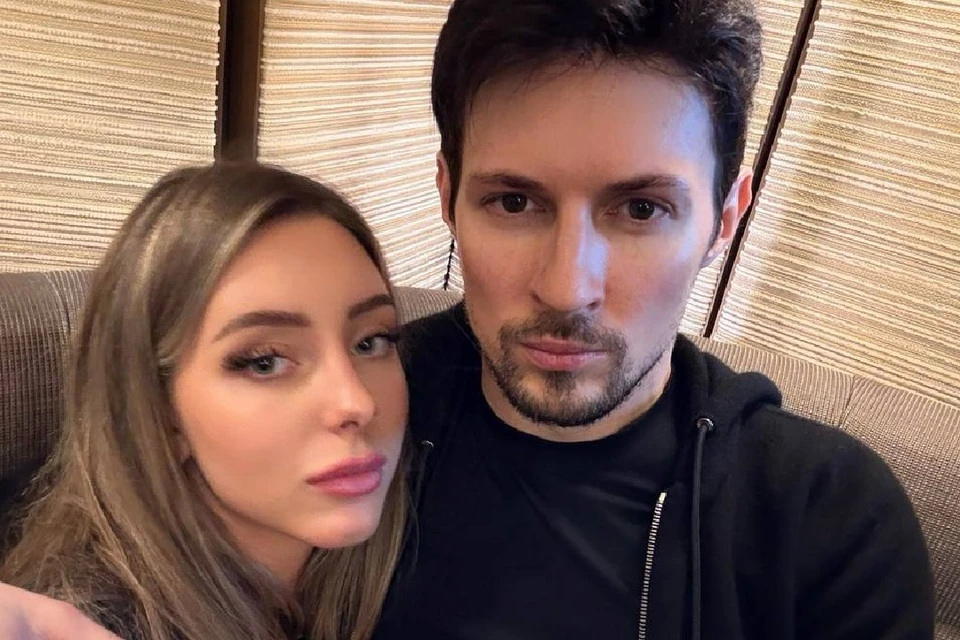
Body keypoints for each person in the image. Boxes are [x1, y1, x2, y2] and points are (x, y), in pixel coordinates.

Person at [0, 0, 936, 638]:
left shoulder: (824, 520)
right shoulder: (366, 413)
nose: (567, 285)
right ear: (448, 195)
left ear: (725, 219)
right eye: (515, 203)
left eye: (641, 209)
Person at [0, 163, 409, 640]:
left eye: (371, 342)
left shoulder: (398, 559)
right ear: (158, 410)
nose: (356, 402)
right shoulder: (90, 624)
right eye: (264, 362)